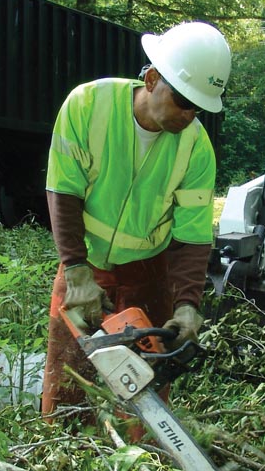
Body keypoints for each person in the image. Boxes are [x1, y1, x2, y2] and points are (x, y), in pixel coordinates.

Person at [40, 21, 231, 422]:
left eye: (198, 107)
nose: (189, 114)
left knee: (148, 387)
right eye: (183, 100)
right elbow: (64, 190)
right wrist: (76, 271)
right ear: (151, 77)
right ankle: (59, 452)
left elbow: (193, 234)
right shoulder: (88, 105)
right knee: (67, 379)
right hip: (84, 264)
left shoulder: (196, 147)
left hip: (149, 269)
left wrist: (186, 306)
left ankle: (143, 464)